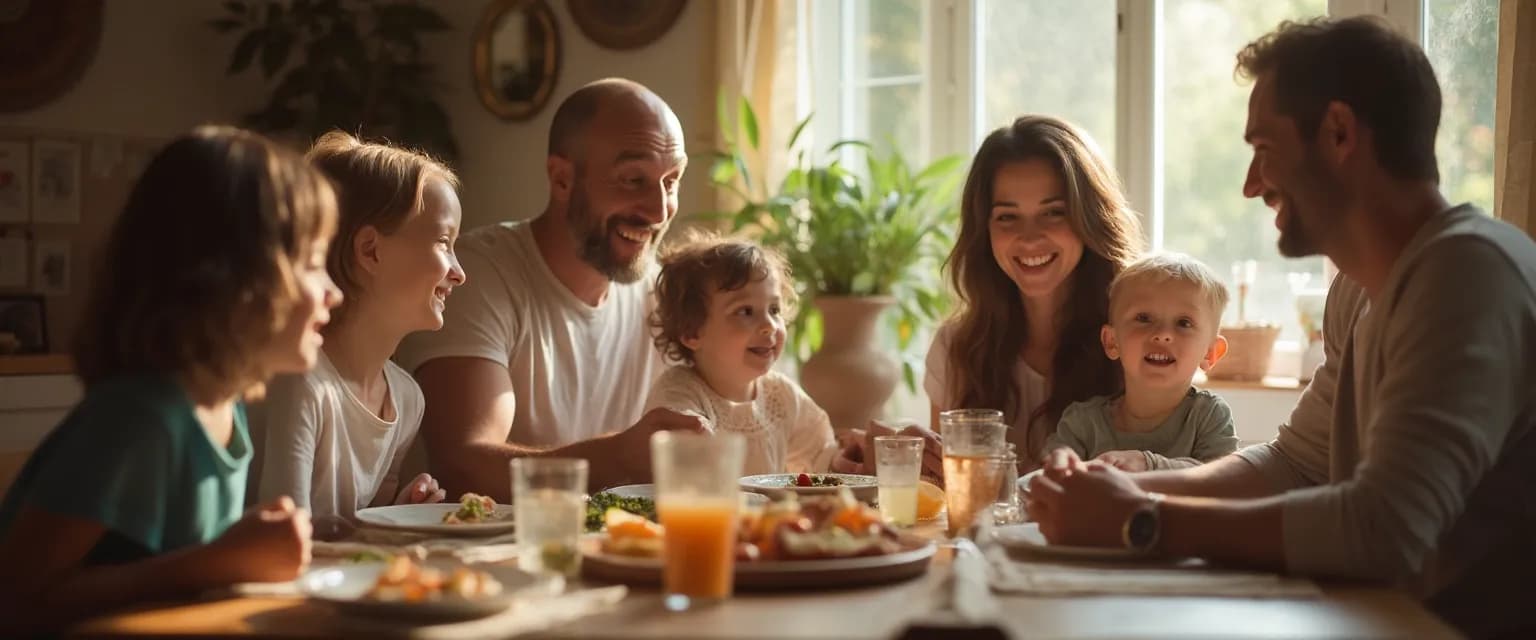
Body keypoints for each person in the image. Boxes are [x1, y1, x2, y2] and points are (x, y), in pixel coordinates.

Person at [1026, 16, 1536, 638]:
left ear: (1339, 134)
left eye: (1263, 150)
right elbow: (1295, 463)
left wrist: (1141, 520)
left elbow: (1384, 530)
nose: (1250, 185)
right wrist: (1133, 488)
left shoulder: (1467, 274)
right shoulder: (1358, 288)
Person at [0, 126, 340, 633]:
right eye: (312, 264)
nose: (333, 291)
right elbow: (14, 602)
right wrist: (213, 562)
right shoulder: (141, 417)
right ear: (234, 280)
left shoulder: (224, 406)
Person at [395, 78, 707, 497]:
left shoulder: (662, 295)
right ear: (562, 179)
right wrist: (620, 456)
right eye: (633, 179)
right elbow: (463, 467)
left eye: (671, 180)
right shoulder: (477, 275)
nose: (658, 209)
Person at [250, 132, 465, 533]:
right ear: (370, 250)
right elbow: (280, 539)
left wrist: (397, 513)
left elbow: (357, 530)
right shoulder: (301, 383)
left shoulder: (407, 399)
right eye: (443, 242)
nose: (459, 273)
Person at [913, 115, 1143, 472]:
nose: (1030, 237)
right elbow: (946, 494)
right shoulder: (955, 350)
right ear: (984, 231)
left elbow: (1171, 476)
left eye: (1054, 213)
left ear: (1090, 218)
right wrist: (918, 459)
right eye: (1008, 217)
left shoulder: (1139, 340)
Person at [643, 234, 838, 475]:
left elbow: (819, 454)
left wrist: (841, 461)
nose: (769, 325)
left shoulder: (781, 396)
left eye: (774, 310)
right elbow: (679, 457)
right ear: (692, 332)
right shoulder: (679, 393)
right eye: (745, 311)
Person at [1043, 252, 1239, 471]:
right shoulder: (1082, 423)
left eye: (1183, 323)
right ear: (1112, 342)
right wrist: (1060, 468)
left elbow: (1223, 479)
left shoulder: (1209, 415)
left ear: (1210, 352)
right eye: (1144, 318)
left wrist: (1148, 464)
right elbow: (1049, 479)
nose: (1163, 334)